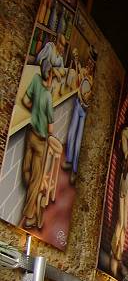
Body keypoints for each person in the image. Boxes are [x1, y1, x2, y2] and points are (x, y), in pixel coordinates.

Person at [21, 59, 54, 229]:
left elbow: (25, 101)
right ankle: (30, 216)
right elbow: (50, 128)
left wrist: (34, 111)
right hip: (40, 140)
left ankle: (34, 198)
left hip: (30, 133)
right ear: (50, 76)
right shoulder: (48, 97)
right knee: (36, 179)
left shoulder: (35, 79)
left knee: (26, 170)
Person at [110, 105, 128, 276]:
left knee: (126, 223)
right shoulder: (126, 133)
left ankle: (119, 252)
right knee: (121, 220)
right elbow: (126, 155)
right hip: (124, 176)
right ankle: (115, 250)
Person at [62, 45, 96, 184]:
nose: (89, 64)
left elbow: (89, 95)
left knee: (78, 142)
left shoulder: (93, 80)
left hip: (85, 110)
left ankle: (75, 171)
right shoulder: (84, 72)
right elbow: (78, 68)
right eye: (89, 61)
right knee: (71, 133)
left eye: (92, 63)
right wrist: (76, 58)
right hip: (78, 104)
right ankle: (69, 160)